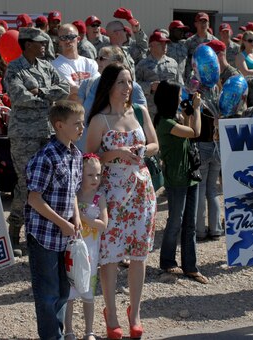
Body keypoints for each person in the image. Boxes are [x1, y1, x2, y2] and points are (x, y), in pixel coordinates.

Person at [84, 63, 158, 340]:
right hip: (112, 193)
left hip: (141, 191)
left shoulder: (138, 111)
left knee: (139, 254)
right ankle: (111, 313)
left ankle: (135, 313)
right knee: (111, 256)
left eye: (129, 82)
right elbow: (89, 157)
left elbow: (154, 144)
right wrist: (114, 152)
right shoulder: (99, 120)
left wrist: (141, 150)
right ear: (109, 86)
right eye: (121, 83)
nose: (127, 88)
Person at [5, 27, 70, 257]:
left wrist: (40, 91)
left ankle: (38, 233)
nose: (44, 45)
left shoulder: (46, 67)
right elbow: (19, 97)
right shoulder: (14, 68)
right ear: (27, 44)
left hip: (46, 131)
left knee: (46, 184)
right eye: (39, 42)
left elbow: (64, 88)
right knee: (26, 183)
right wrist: (43, 96)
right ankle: (14, 230)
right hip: (24, 135)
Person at [25, 100, 84, 340]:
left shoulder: (75, 154)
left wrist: (76, 216)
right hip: (44, 235)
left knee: (61, 289)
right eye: (77, 124)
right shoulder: (46, 157)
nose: (82, 128)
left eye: (82, 123)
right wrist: (62, 222)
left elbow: (73, 193)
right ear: (59, 125)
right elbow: (34, 199)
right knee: (47, 291)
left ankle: (55, 333)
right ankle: (51, 336)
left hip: (64, 233)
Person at [154, 80, 208, 283]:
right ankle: (167, 262)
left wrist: (187, 115)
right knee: (175, 222)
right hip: (177, 178)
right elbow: (195, 133)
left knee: (190, 224)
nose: (181, 99)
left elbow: (187, 133)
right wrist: (196, 110)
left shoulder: (174, 118)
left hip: (189, 175)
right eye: (178, 96)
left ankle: (190, 266)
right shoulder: (165, 122)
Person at [63, 153, 108, 340]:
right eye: (90, 175)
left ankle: (89, 331)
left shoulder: (99, 197)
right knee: (70, 294)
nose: (95, 179)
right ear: (80, 174)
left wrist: (88, 219)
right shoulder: (73, 195)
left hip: (91, 253)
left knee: (88, 293)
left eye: (98, 175)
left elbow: (104, 224)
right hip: (73, 251)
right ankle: (69, 331)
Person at [77, 46, 147, 151]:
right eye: (97, 57)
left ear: (117, 62)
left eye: (102, 58)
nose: (97, 61)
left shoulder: (133, 87)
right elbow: (79, 114)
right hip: (86, 150)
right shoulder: (88, 84)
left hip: (127, 156)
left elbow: (141, 120)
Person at [136, 30, 182, 115]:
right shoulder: (142, 64)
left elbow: (179, 84)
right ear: (151, 46)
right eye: (161, 44)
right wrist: (150, 86)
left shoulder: (173, 63)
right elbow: (135, 85)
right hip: (151, 111)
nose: (165, 46)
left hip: (171, 109)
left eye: (166, 44)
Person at [52, 24, 99, 102]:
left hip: (92, 111)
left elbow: (99, 85)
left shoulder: (90, 63)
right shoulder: (55, 65)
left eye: (71, 37)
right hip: (70, 112)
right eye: (63, 38)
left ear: (78, 39)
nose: (67, 41)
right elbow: (72, 88)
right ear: (59, 41)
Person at [184, 13, 217, 80]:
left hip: (209, 78)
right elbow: (185, 61)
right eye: (200, 22)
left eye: (205, 22)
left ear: (208, 24)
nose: (203, 24)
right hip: (193, 79)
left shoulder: (214, 42)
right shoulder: (189, 42)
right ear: (196, 24)